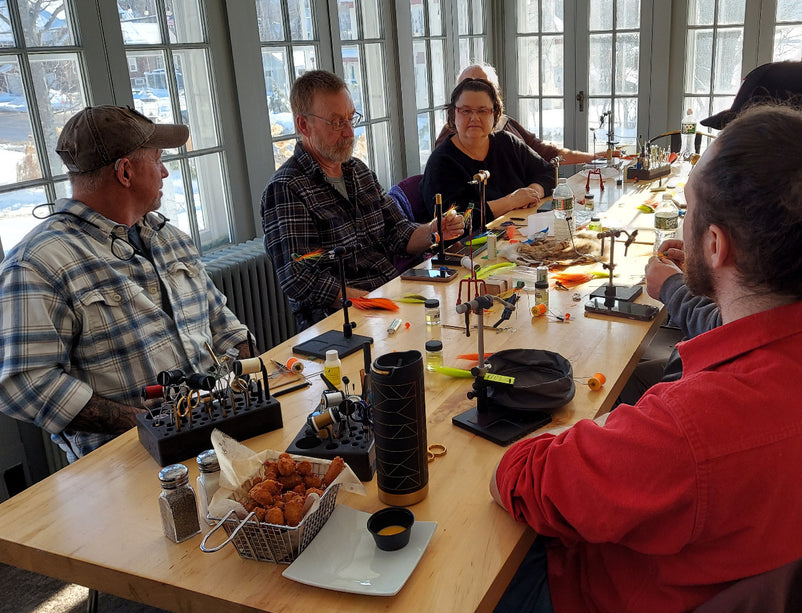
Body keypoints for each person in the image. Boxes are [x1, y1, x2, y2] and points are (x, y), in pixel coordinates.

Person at [476, 106, 802, 613]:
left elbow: (526, 480)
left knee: (466, 588)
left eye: (689, 213)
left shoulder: (688, 432)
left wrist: (548, 440)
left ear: (714, 244)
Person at [617, 61, 802, 404]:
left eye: (743, 133)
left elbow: (740, 336)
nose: (731, 145)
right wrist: (714, 265)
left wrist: (673, 285)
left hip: (779, 392)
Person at [0, 106, 253, 462]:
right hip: (130, 465)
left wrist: (247, 386)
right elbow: (25, 382)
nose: (165, 172)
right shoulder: (38, 263)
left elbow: (223, 324)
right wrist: (153, 423)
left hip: (221, 436)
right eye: (158, 160)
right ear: (125, 171)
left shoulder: (170, 239)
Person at [262, 70, 464, 330]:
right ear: (303, 125)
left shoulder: (357, 171)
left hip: (388, 303)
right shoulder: (286, 189)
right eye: (336, 122)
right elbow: (299, 278)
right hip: (340, 322)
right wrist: (374, 301)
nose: (348, 132)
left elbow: (397, 232)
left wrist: (434, 230)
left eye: (350, 118)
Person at [421, 77, 554, 231]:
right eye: (466, 111)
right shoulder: (441, 162)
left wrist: (533, 192)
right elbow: (452, 222)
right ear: (453, 114)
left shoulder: (507, 142)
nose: (474, 118)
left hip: (521, 232)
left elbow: (548, 171)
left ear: (495, 114)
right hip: (469, 248)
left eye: (482, 111)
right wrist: (511, 201)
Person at [434, 63, 597, 165]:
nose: (474, 117)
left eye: (481, 86)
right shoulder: (450, 137)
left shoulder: (507, 127)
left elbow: (542, 151)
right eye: (467, 86)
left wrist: (593, 157)